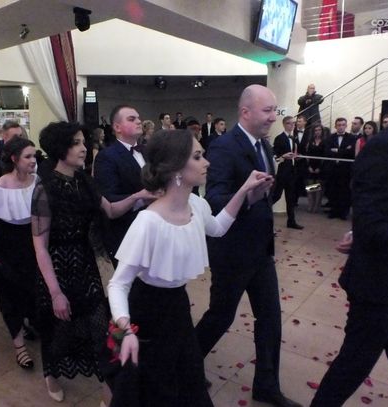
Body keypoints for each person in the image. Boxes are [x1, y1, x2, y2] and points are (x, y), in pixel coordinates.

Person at [108, 129, 272, 407]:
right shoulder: (148, 222)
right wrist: (126, 330)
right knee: (154, 389)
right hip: (147, 311)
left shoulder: (196, 204)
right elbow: (118, 283)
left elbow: (218, 228)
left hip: (178, 307)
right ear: (176, 169)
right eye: (197, 156)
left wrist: (244, 190)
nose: (206, 162)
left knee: (190, 379)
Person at [195, 85, 302, 407]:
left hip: (260, 250)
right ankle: (186, 363)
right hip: (232, 252)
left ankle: (266, 385)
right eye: (267, 111)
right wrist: (247, 196)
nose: (273, 117)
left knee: (270, 319)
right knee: (221, 316)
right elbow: (215, 199)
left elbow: (266, 194)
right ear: (245, 112)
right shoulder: (225, 146)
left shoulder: (264, 146)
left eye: (274, 111)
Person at [31, 121, 153, 403]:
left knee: (100, 328)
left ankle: (108, 392)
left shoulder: (85, 180)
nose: (84, 148)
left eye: (83, 141)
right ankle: (51, 374)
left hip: (85, 264)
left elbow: (110, 211)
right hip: (57, 267)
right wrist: (55, 292)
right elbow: (40, 247)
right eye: (76, 143)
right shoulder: (45, 189)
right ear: (60, 148)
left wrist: (138, 196)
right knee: (59, 330)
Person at [310, 117, 388, 407]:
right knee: (353, 365)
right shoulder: (384, 148)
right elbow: (371, 226)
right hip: (379, 285)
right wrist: (361, 232)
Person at [0, 137, 40, 370]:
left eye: (34, 156)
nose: (33, 160)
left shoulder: (37, 180)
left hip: (32, 241)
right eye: (28, 156)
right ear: (14, 159)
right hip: (6, 243)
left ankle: (28, 323)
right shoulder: (0, 185)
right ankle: (19, 346)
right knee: (9, 296)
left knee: (32, 291)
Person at [94, 105, 150, 265]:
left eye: (138, 118)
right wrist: (142, 199)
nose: (138, 122)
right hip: (126, 231)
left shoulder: (147, 151)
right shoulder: (107, 156)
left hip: (153, 229)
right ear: (117, 127)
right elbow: (109, 198)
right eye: (132, 119)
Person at [272, 116, 303, 229]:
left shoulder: (294, 138)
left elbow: (293, 153)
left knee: (290, 198)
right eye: (289, 123)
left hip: (291, 171)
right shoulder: (279, 138)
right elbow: (274, 155)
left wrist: (296, 156)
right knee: (276, 195)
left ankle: (291, 221)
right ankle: (262, 212)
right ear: (284, 124)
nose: (292, 125)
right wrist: (283, 156)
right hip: (282, 171)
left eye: (293, 123)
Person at [324, 117, 356, 220]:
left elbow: (351, 152)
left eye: (343, 125)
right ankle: (333, 211)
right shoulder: (330, 137)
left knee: (345, 191)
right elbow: (327, 151)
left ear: (346, 126)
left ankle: (343, 213)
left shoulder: (352, 138)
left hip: (345, 169)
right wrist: (343, 150)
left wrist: (337, 150)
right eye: (339, 125)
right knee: (332, 190)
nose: (341, 127)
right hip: (332, 169)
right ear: (335, 126)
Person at [305, 123, 326, 213]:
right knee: (310, 187)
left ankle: (316, 206)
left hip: (320, 167)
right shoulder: (310, 141)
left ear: (322, 131)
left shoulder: (325, 142)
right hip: (311, 166)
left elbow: (325, 156)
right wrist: (309, 166)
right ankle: (310, 204)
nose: (317, 132)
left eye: (319, 130)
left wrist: (320, 168)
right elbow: (307, 155)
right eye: (316, 130)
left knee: (318, 188)